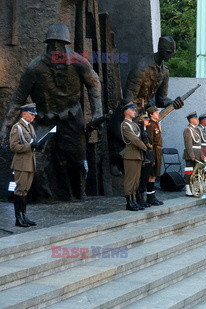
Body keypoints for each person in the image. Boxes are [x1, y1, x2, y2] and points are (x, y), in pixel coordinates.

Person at [1, 22, 103, 201]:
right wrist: (6, 126)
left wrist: (97, 112)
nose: (57, 48)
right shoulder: (35, 67)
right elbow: (18, 99)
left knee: (77, 159)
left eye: (61, 44)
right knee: (38, 161)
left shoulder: (79, 61)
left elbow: (94, 84)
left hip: (72, 116)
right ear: (48, 45)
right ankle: (43, 197)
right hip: (44, 118)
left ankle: (78, 194)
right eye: (53, 44)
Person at [123, 36, 184, 111]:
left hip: (145, 113)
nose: (170, 56)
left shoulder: (164, 72)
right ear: (160, 49)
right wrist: (135, 117)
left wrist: (173, 103)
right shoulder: (142, 67)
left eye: (172, 53)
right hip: (130, 114)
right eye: (168, 52)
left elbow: (161, 100)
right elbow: (128, 98)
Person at [9, 103, 40, 227]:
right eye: (31, 114)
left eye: (34, 115)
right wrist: (30, 146)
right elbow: (13, 146)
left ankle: (24, 215)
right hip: (21, 164)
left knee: (25, 190)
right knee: (19, 190)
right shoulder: (17, 127)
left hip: (30, 163)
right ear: (24, 113)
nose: (33, 117)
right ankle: (18, 218)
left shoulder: (29, 127)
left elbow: (32, 141)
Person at [121, 102, 147, 211]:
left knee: (136, 180)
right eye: (132, 110)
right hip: (131, 155)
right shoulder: (125, 125)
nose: (134, 111)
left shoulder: (134, 124)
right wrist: (145, 147)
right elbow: (134, 139)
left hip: (137, 155)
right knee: (130, 180)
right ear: (126, 111)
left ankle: (134, 200)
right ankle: (129, 202)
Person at [145, 106, 164, 206]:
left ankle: (152, 196)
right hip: (154, 151)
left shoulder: (156, 124)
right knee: (151, 174)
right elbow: (150, 142)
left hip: (158, 150)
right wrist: (151, 157)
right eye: (156, 112)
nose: (158, 114)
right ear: (151, 114)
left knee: (155, 174)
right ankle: (150, 196)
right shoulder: (150, 125)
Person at [183, 112, 203, 197]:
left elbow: (199, 144)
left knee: (196, 173)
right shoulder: (188, 129)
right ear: (191, 120)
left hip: (197, 153)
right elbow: (188, 144)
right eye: (195, 118)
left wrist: (201, 154)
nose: (197, 120)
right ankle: (188, 190)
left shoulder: (195, 129)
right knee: (189, 172)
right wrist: (191, 155)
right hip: (191, 154)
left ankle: (194, 188)